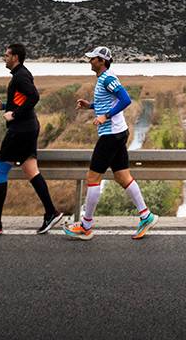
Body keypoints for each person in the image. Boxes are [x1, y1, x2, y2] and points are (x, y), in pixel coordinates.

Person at [63, 46, 158, 240]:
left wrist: (105, 116)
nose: (90, 61)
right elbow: (109, 101)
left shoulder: (108, 78)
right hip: (118, 133)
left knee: (92, 177)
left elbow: (125, 100)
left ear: (102, 61)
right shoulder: (102, 79)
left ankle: (86, 226)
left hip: (111, 135)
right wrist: (90, 106)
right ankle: (146, 216)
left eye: (93, 58)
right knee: (123, 177)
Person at [0, 43, 65, 235]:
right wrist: (5, 106)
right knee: (31, 170)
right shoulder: (21, 74)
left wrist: (14, 115)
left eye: (6, 55)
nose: (4, 58)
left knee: (0, 170)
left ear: (15, 57)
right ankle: (51, 212)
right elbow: (22, 100)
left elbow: (34, 97)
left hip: (20, 131)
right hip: (28, 128)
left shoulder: (20, 76)